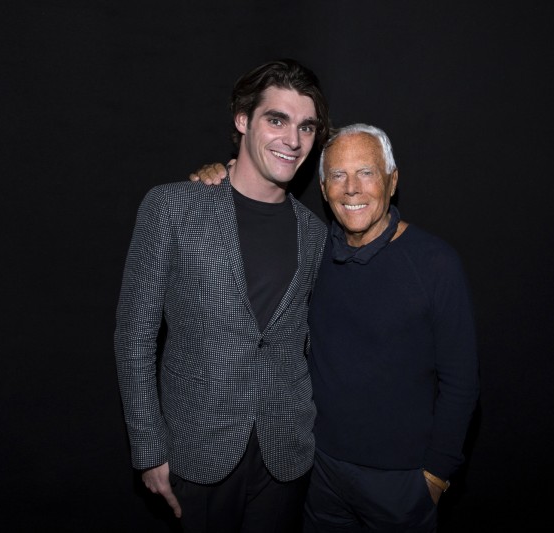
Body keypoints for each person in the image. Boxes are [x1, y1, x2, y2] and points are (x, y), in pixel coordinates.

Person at [191, 123, 479, 532]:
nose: (352, 188)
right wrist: (217, 175)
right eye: (338, 176)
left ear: (392, 181)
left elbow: (462, 381)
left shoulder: (435, 264)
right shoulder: (312, 251)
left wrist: (436, 475)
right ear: (324, 190)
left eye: (366, 172)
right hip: (319, 470)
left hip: (400, 481)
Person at [114, 58, 330, 533]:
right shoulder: (172, 206)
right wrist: (149, 449)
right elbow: (134, 335)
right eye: (277, 119)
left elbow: (305, 340)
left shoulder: (314, 234)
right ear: (242, 120)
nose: (293, 140)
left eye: (306, 126)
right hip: (196, 451)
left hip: (286, 455)